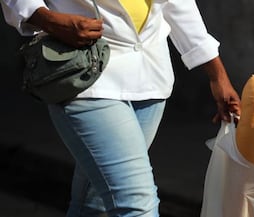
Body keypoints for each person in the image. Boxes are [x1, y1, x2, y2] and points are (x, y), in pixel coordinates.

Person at [0, 0, 241, 216]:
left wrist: (216, 75)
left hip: (150, 78)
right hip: (84, 74)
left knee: (93, 206)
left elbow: (178, 5)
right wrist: (49, 19)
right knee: (138, 206)